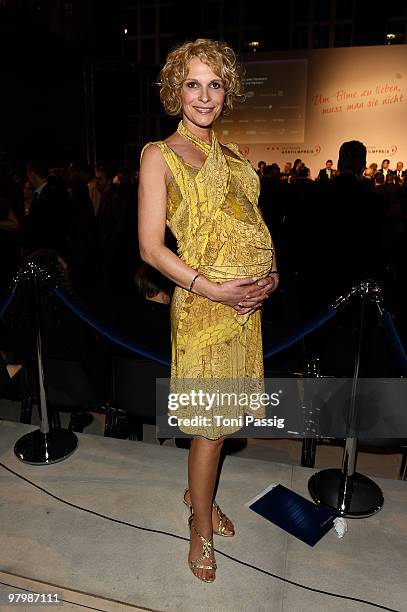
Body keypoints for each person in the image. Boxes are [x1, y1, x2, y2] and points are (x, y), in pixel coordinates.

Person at [138, 38, 278, 583]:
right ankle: (198, 522)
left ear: (227, 92)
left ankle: (199, 493)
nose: (204, 96)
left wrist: (272, 275)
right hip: (203, 308)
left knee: (223, 419)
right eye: (193, 83)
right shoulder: (159, 154)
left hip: (245, 308)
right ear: (176, 90)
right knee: (210, 428)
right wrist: (213, 290)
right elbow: (151, 249)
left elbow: (254, 226)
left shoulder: (235, 156)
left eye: (214, 84)